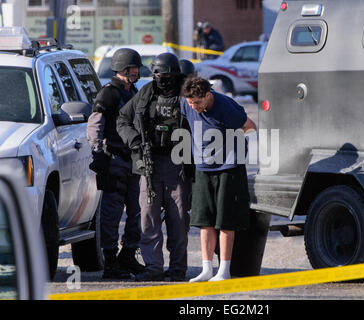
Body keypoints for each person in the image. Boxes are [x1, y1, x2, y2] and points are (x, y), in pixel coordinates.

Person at [116, 52, 192, 282]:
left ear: (175, 74)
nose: (161, 78)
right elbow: (122, 119)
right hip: (148, 164)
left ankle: (178, 268)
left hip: (178, 164)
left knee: (178, 220)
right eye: (157, 73)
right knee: (148, 218)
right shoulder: (146, 92)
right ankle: (153, 267)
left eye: (165, 74)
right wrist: (134, 141)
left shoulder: (185, 93)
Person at [180, 76, 257, 282]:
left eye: (197, 102)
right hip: (202, 167)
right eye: (190, 103)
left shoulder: (225, 107)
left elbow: (250, 127)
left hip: (228, 167)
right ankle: (207, 269)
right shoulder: (186, 103)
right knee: (204, 222)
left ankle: (224, 270)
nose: (194, 106)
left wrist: (228, 142)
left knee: (225, 222)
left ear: (207, 95)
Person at [87, 48, 145, 279]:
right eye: (134, 68)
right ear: (123, 69)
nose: (137, 72)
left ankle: (128, 255)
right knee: (111, 213)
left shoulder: (133, 92)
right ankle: (110, 261)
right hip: (114, 161)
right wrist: (98, 154)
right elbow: (95, 126)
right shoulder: (109, 94)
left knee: (137, 210)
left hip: (134, 161)